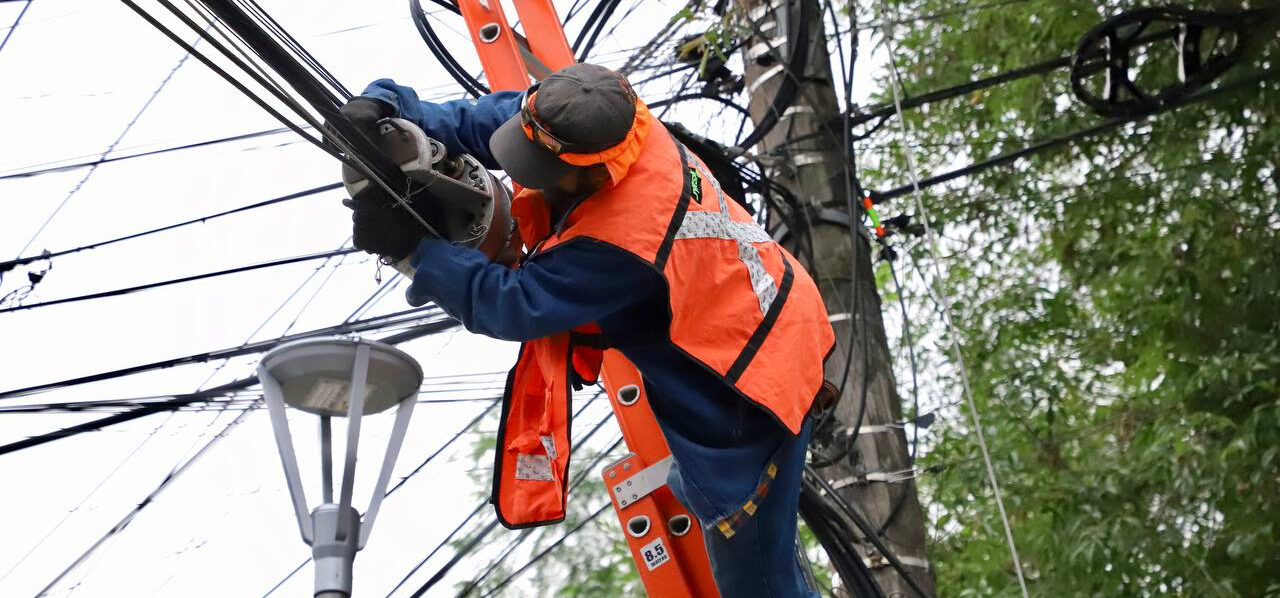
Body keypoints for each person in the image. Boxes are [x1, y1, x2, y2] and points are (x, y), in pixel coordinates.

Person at [340, 63, 834, 598]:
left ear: (593, 169)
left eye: (540, 165)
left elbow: (513, 305)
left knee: (753, 573)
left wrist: (419, 251)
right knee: (690, 486)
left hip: (751, 382)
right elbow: (484, 121)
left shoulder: (623, 239)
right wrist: (386, 105)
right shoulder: (593, 115)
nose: (524, 171)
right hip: (768, 302)